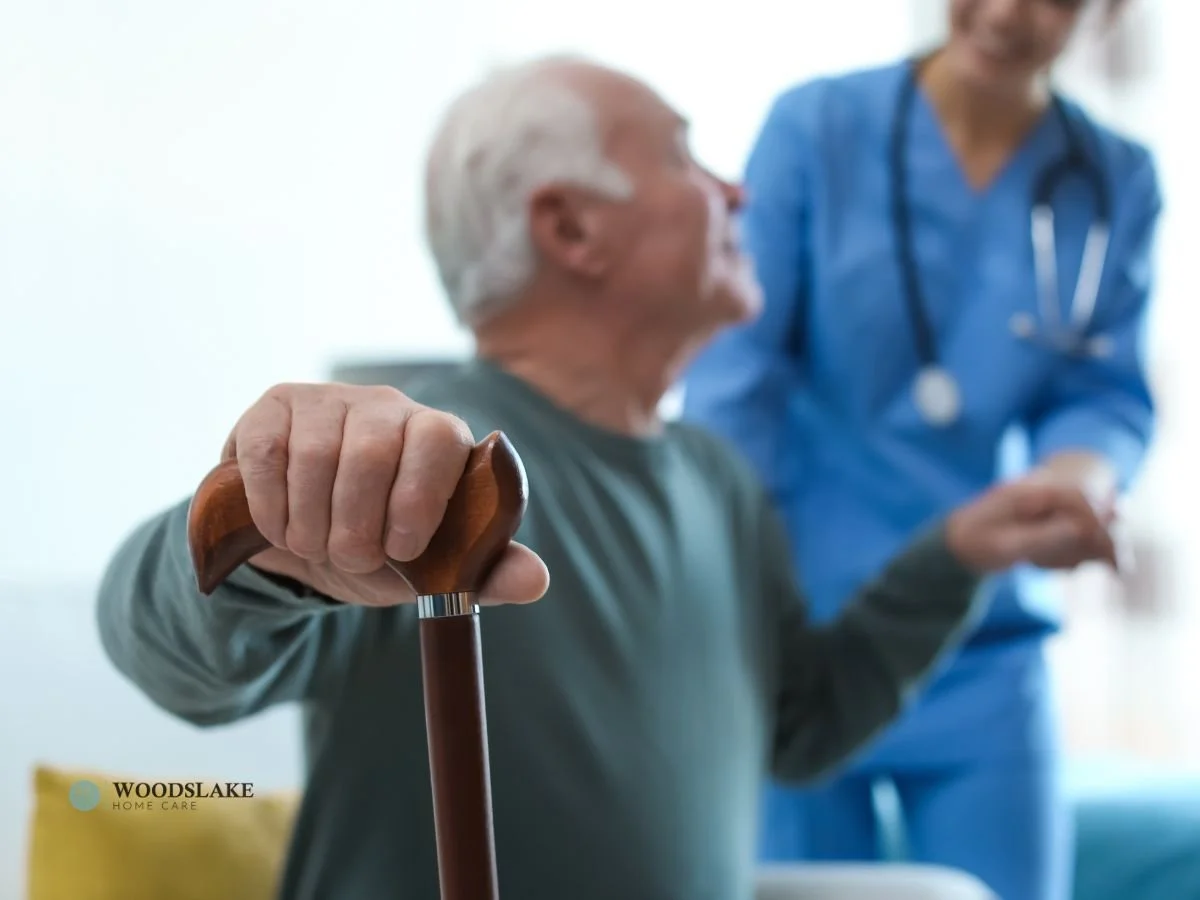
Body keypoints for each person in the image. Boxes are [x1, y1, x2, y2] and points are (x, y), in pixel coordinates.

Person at [97, 55, 1118, 900]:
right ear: (571, 229)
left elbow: (799, 729)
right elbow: (160, 649)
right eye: (686, 155)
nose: (738, 192)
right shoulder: (413, 462)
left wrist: (955, 555)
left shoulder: (715, 481)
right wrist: (254, 535)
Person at [679, 1, 1161, 898]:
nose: (1009, 12)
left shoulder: (1112, 179)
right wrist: (730, 577)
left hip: (982, 635)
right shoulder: (819, 129)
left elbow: (1102, 391)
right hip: (807, 628)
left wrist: (1076, 479)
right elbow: (737, 374)